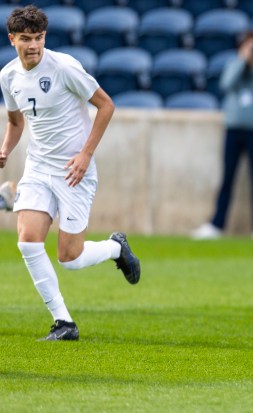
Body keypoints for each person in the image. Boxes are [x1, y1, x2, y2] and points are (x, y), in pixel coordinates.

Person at [0, 5, 141, 341]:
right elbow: (17, 121)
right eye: (26, 39)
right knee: (28, 241)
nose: (33, 45)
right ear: (12, 39)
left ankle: (115, 249)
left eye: (39, 38)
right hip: (38, 167)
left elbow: (106, 105)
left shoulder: (64, 67)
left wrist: (85, 155)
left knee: (70, 258)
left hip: (73, 170)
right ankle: (63, 323)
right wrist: (6, 148)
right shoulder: (8, 76)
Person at [191, 31, 253, 243]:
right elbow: (227, 84)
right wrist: (243, 61)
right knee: (227, 178)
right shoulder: (234, 64)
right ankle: (216, 224)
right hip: (234, 128)